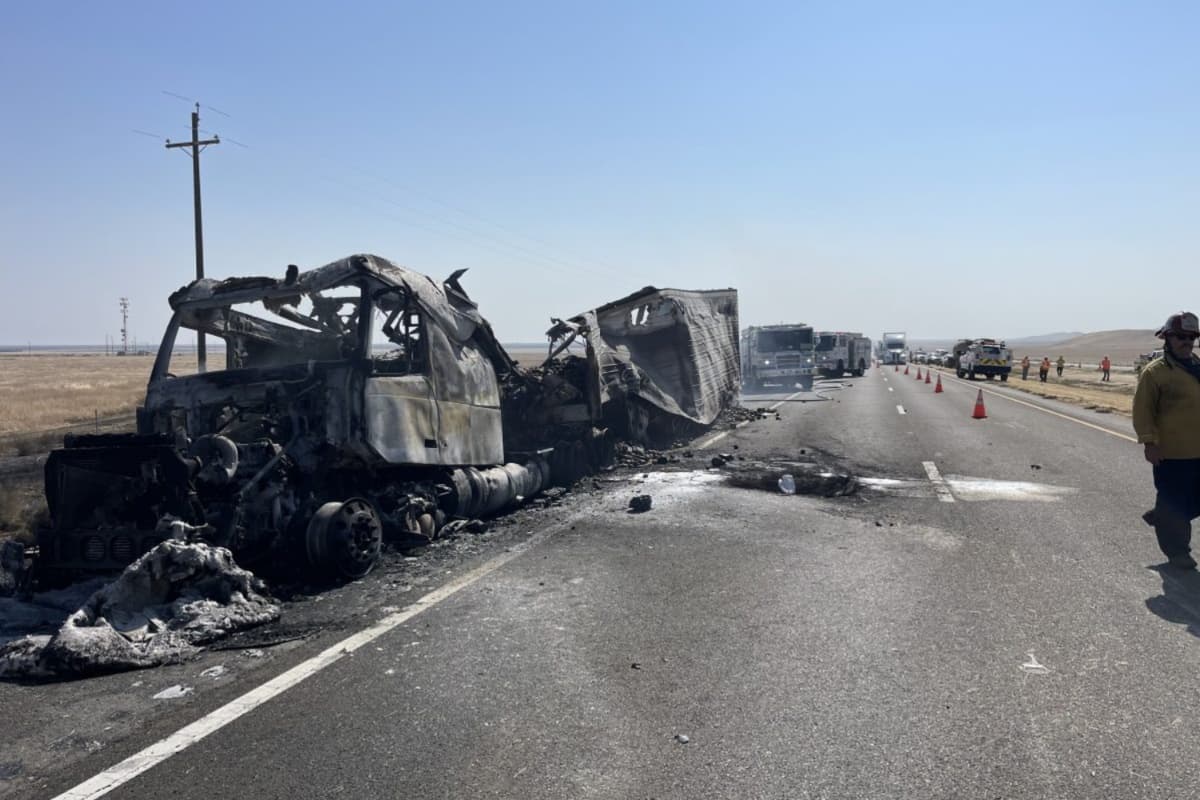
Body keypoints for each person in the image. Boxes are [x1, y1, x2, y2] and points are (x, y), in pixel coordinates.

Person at [1133, 311, 1200, 569]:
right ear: (1167, 338)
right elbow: (1142, 409)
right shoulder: (1155, 372)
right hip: (1171, 453)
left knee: (1179, 505)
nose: (1186, 341)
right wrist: (1149, 441)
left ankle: (1163, 515)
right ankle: (1178, 553)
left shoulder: (1197, 368)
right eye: (1180, 336)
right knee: (1175, 502)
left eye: (1191, 337)